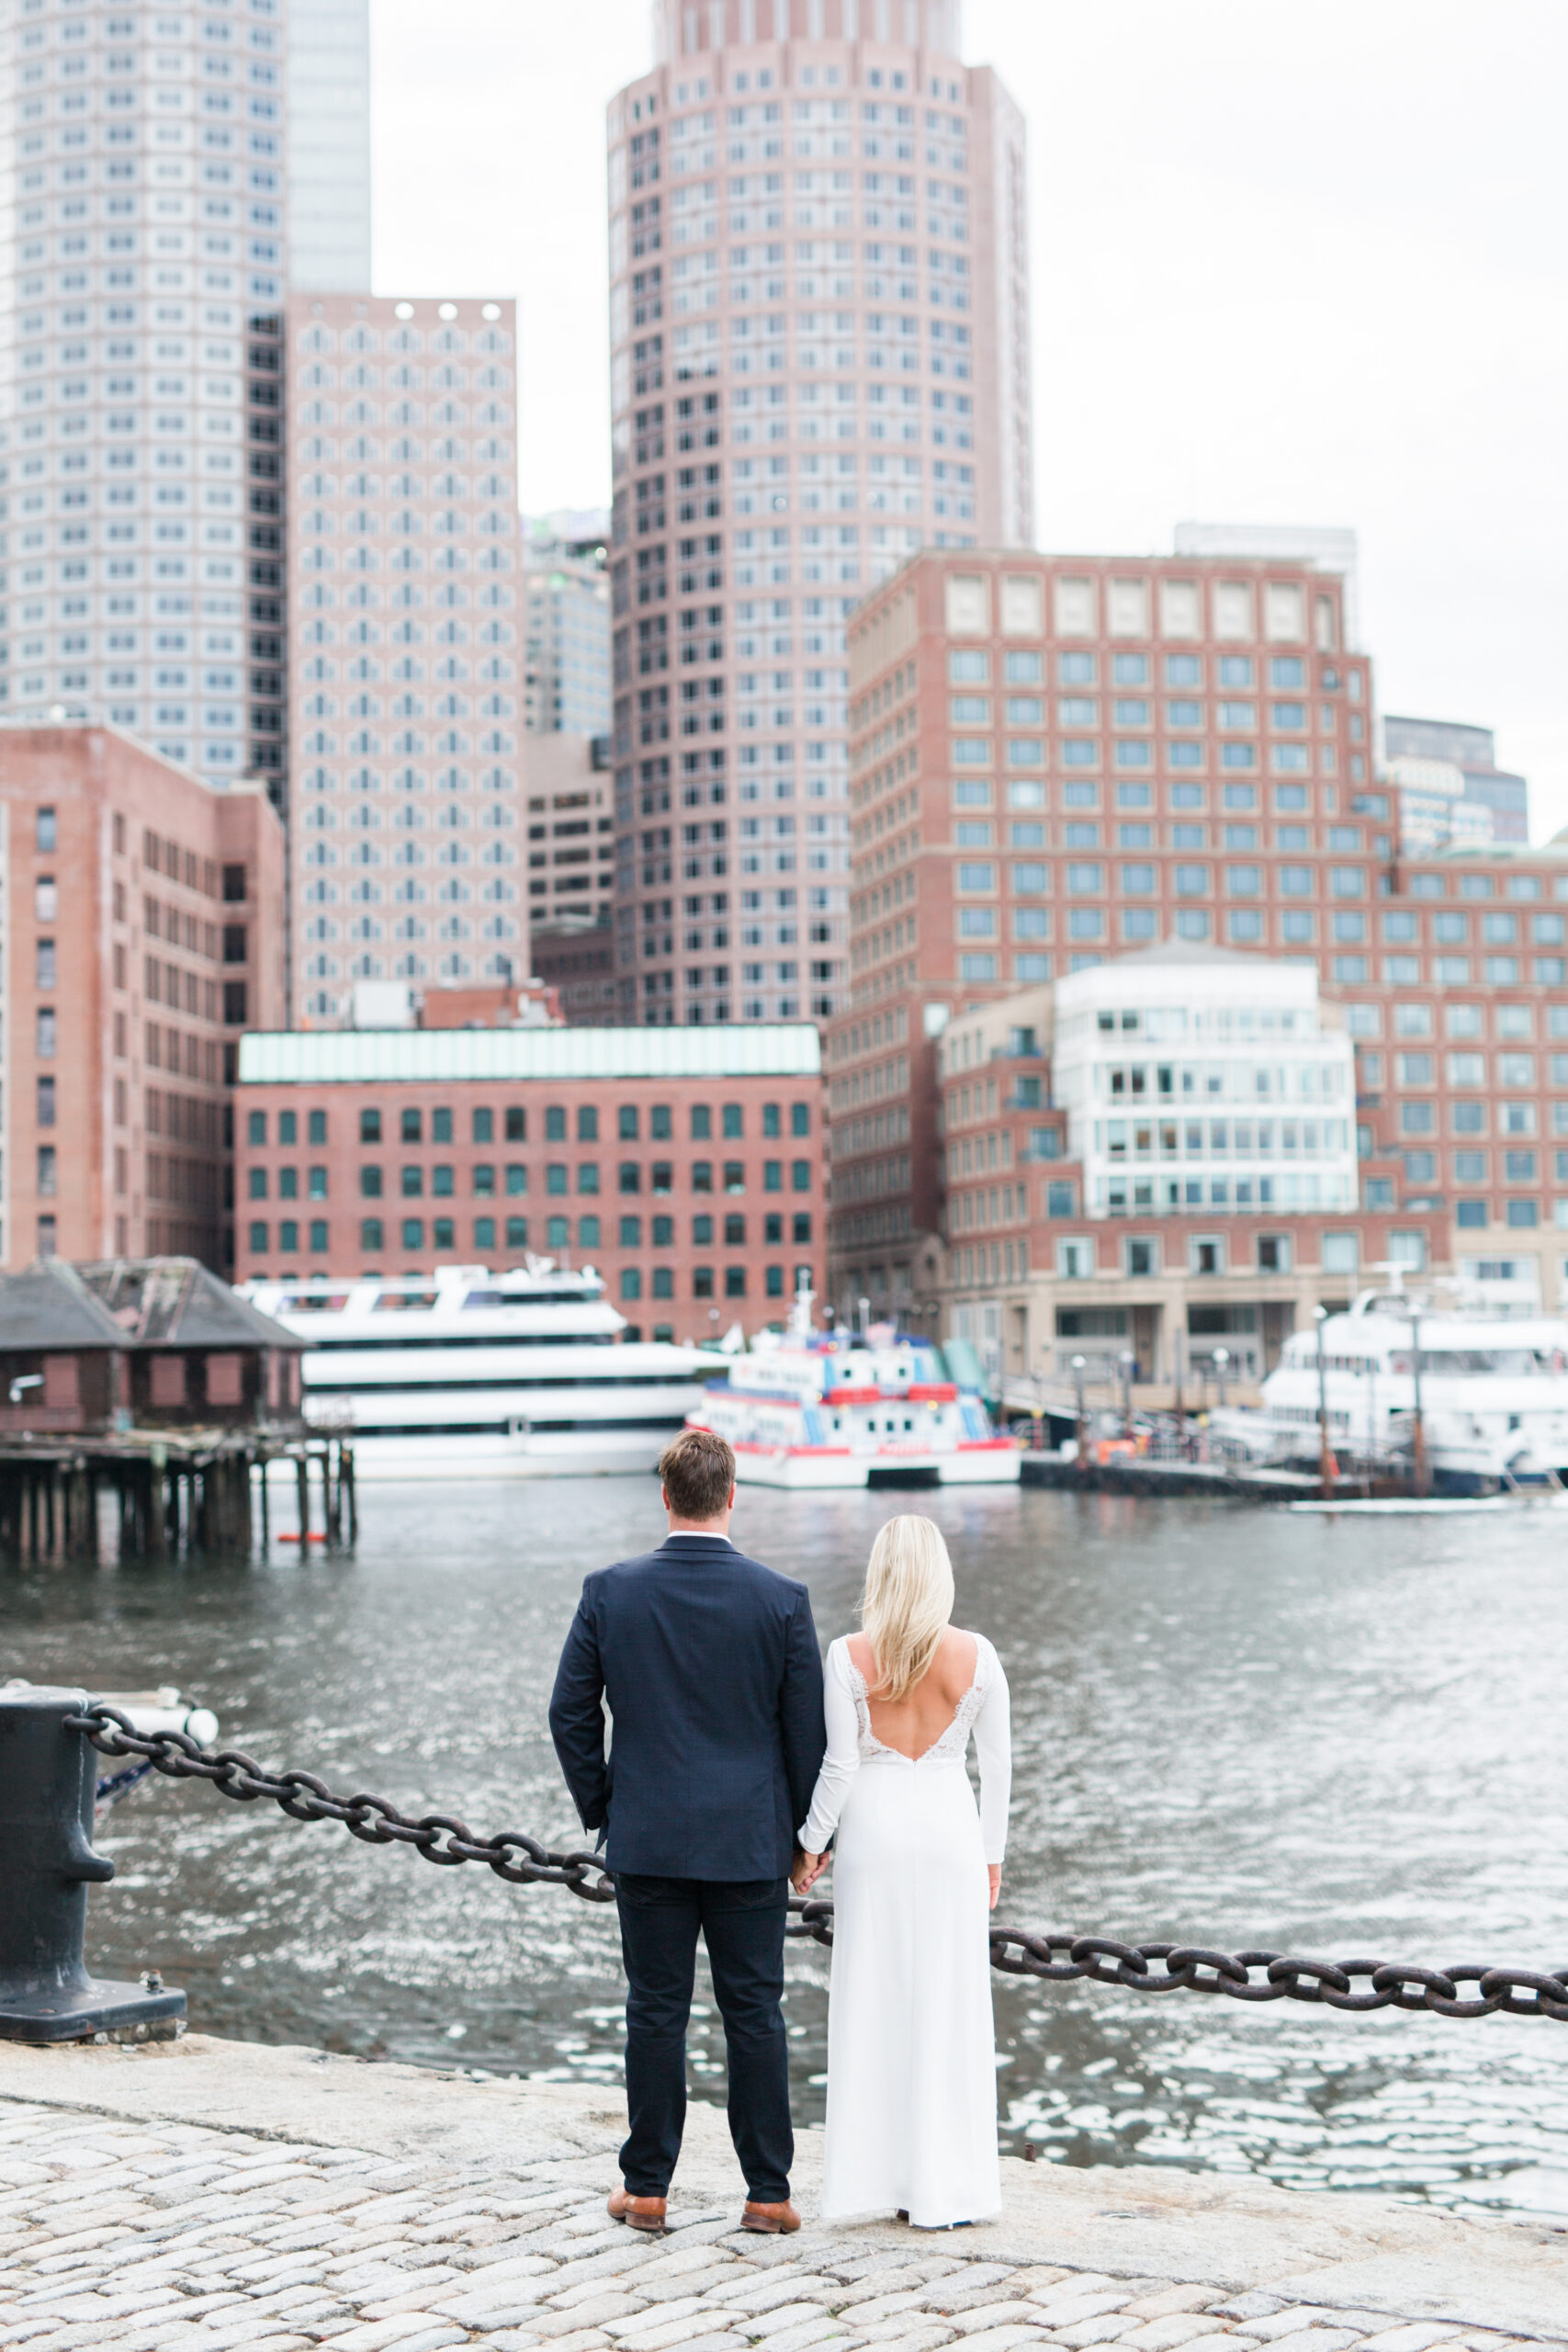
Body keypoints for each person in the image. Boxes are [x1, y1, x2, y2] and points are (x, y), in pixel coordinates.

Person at [548, 1427, 825, 2237]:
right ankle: (767, 2196)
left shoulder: (611, 1590)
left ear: (666, 1497)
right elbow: (804, 1733)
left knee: (655, 2012)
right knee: (756, 2015)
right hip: (748, 1843)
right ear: (732, 1496)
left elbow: (570, 1713)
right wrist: (807, 1838)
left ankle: (647, 2191)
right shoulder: (781, 1599)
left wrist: (604, 1805)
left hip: (650, 1836)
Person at [794, 1513, 1010, 2228]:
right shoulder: (977, 1655)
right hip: (950, 1834)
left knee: (872, 2004)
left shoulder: (848, 1655)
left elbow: (840, 1762)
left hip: (874, 1838)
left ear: (880, 1576)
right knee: (949, 2008)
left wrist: (810, 1843)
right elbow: (999, 1770)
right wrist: (991, 1854)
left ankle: (870, 2182)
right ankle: (949, 2189)